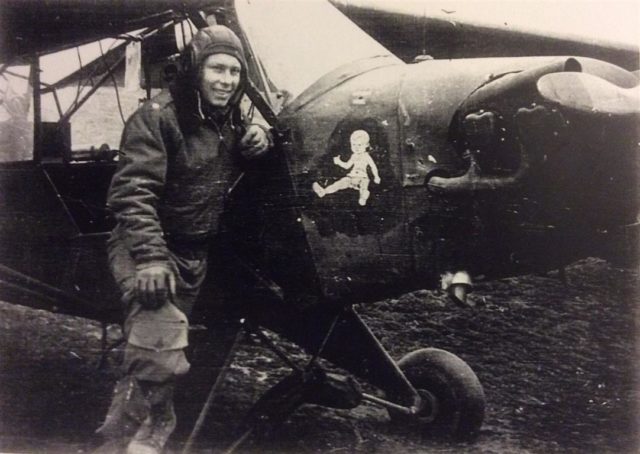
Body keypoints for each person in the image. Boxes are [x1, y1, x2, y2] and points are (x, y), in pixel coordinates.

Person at [94, 24, 272, 454]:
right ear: (195, 68)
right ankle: (145, 430)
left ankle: (130, 425)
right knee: (159, 335)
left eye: (234, 72)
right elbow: (132, 194)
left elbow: (245, 144)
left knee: (158, 352)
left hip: (193, 251)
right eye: (217, 68)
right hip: (146, 245)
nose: (226, 80)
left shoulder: (228, 121)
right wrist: (152, 258)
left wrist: (260, 136)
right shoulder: (158, 117)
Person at [312, 129, 380, 206]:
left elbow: (373, 166)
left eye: (359, 145)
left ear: (366, 145)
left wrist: (376, 177)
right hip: (351, 177)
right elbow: (347, 166)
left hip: (362, 177)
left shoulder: (366, 156)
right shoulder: (353, 156)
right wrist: (339, 162)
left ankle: (363, 197)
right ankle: (324, 191)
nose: (356, 148)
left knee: (363, 186)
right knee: (339, 184)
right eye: (353, 145)